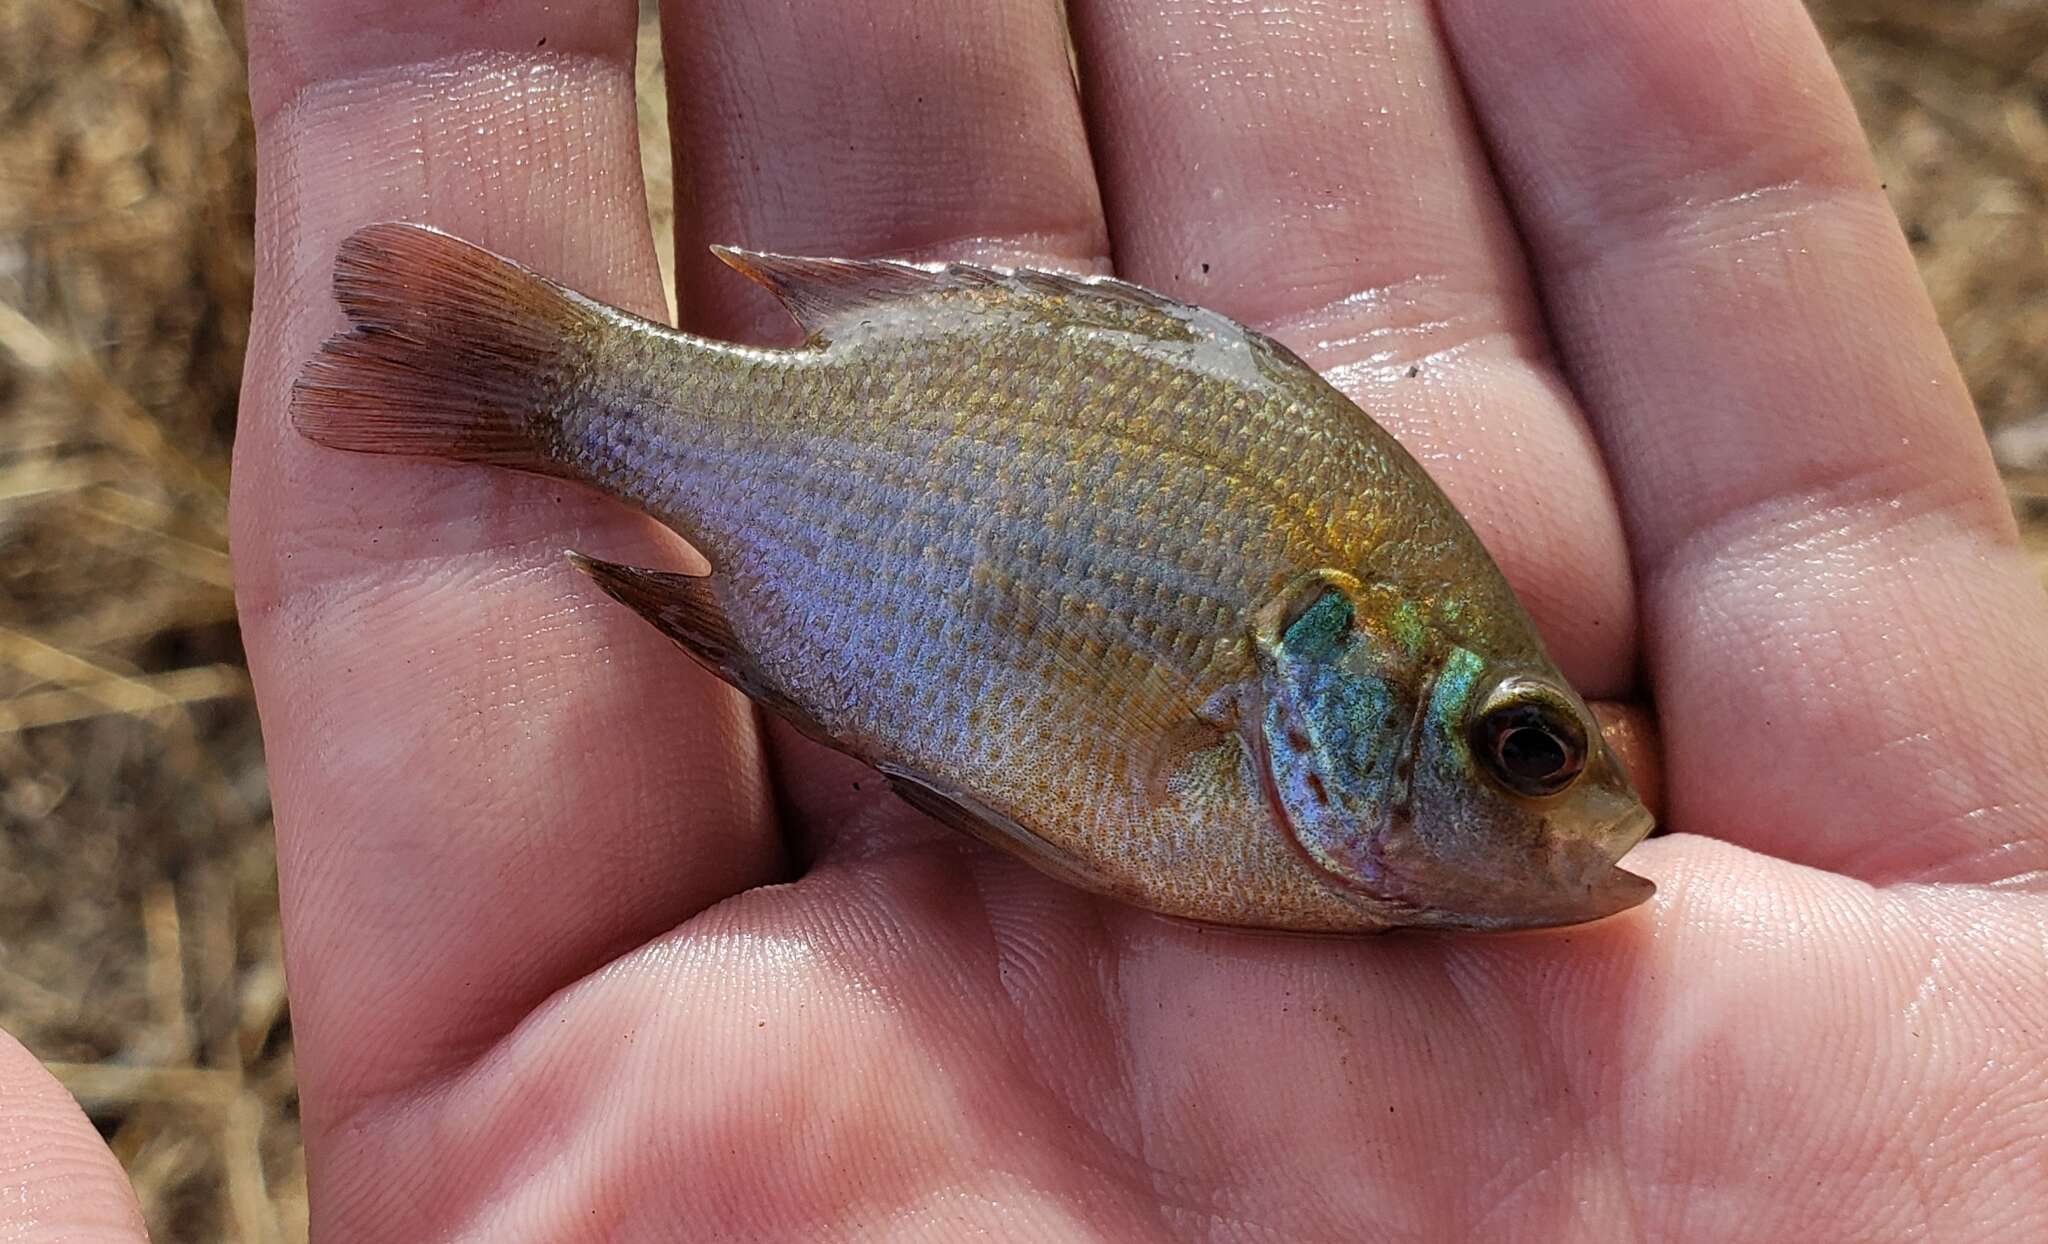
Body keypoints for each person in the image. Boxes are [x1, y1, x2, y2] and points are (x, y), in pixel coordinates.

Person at [9, 0, 2046, 1237]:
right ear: (1328, 656)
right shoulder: (1241, 744)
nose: (1571, 799)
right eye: (1515, 743)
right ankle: (549, 380)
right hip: (842, 487)